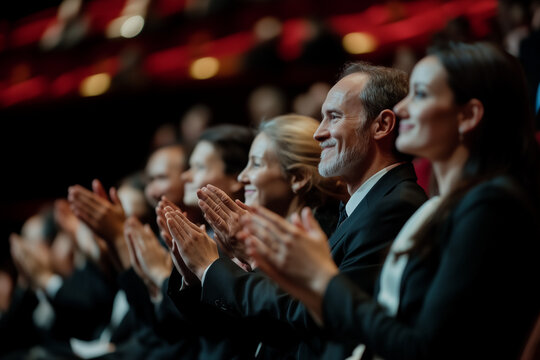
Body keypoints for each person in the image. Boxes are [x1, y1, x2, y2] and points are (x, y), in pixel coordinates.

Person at [244, 41, 540, 360]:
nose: (401, 109)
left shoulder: (491, 205)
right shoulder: (449, 204)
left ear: (468, 115)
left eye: (421, 94)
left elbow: (423, 349)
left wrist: (322, 280)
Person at [163, 62, 427, 359]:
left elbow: (319, 318)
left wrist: (213, 267)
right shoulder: (360, 207)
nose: (319, 133)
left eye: (334, 117)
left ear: (381, 125)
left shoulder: (395, 206)